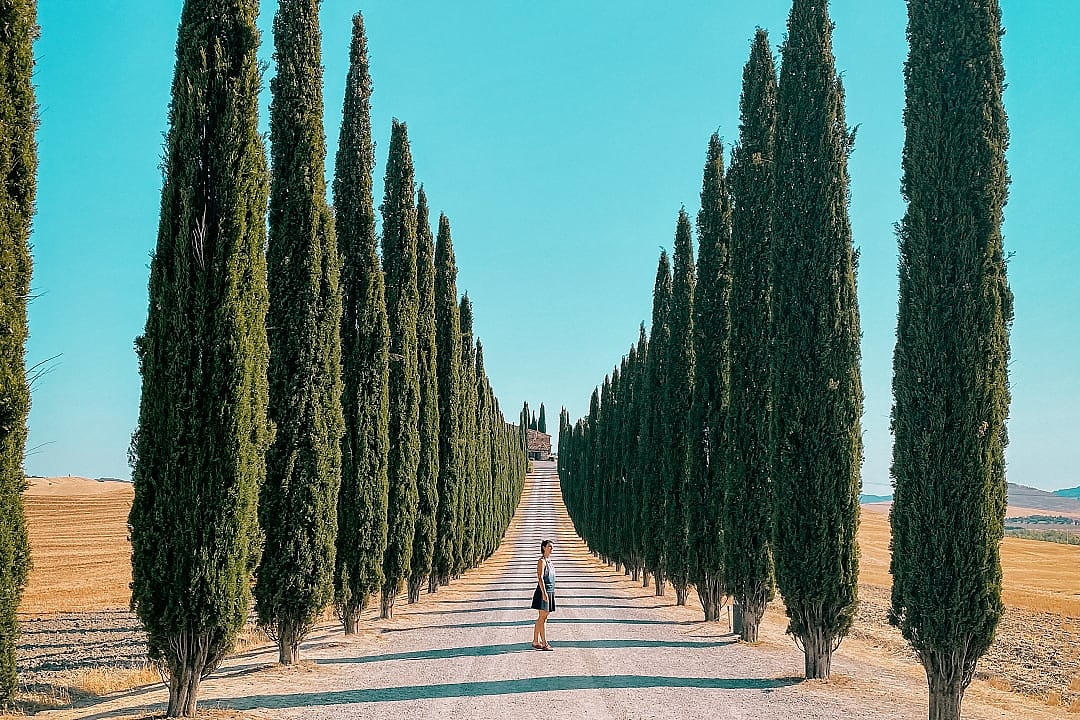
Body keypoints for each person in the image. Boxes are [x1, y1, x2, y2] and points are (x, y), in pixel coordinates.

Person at [530, 539, 556, 650]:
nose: (551, 549)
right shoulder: (542, 561)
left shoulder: (549, 561)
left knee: (542, 617)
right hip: (543, 592)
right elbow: (540, 577)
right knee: (543, 618)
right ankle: (544, 643)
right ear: (544, 547)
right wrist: (544, 593)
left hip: (550, 591)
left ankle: (535, 641)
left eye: (552, 547)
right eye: (549, 546)